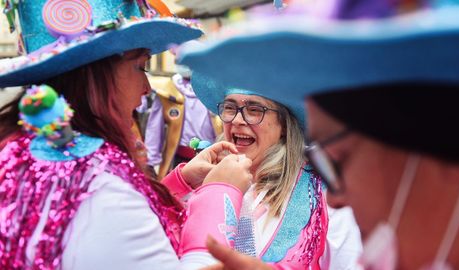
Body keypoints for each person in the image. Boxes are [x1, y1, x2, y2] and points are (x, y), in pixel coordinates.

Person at [178, 0, 459, 269]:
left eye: (337, 160)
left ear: (442, 161)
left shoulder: (316, 199)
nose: (334, 198)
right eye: (230, 108)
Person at [0, 1, 251, 269]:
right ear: (95, 73)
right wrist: (221, 193)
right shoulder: (101, 188)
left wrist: (179, 183)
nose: (146, 88)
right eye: (140, 66)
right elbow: (113, 215)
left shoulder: (24, 154)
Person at [160, 69, 363, 268]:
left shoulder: (323, 195)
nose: (237, 120)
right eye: (230, 108)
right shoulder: (199, 184)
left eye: (255, 110)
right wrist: (180, 182)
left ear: (283, 124)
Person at [142, 67, 222, 179]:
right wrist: (150, 160)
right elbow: (155, 127)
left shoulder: (215, 88)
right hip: (180, 160)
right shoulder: (168, 90)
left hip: (213, 160)